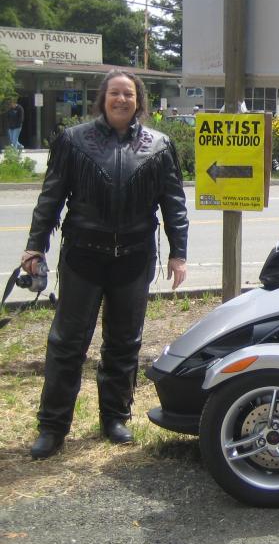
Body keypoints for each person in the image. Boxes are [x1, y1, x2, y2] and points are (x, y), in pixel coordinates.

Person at [21, 69, 189, 460]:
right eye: (115, 93)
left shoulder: (159, 146)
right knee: (67, 343)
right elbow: (51, 196)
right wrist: (34, 247)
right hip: (83, 255)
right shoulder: (74, 141)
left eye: (128, 94)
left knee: (124, 343)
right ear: (103, 98)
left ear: (139, 101)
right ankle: (52, 426)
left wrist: (178, 253)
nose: (121, 99)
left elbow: (174, 204)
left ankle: (115, 417)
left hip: (133, 258)